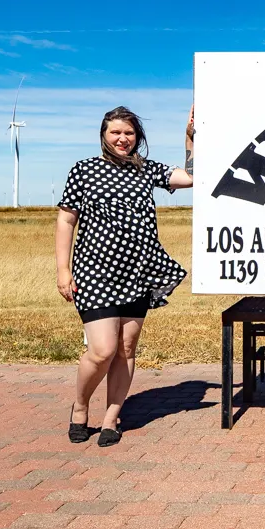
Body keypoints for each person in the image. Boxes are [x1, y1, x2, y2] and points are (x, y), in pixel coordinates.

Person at [55, 105, 194, 446]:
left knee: (126, 349)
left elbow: (191, 178)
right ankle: (80, 405)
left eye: (129, 133)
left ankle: (111, 417)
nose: (122, 138)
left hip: (138, 271)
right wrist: (63, 270)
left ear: (138, 138)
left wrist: (190, 136)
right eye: (116, 132)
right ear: (104, 135)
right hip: (95, 272)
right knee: (102, 350)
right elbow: (66, 220)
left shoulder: (146, 170)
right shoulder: (84, 170)